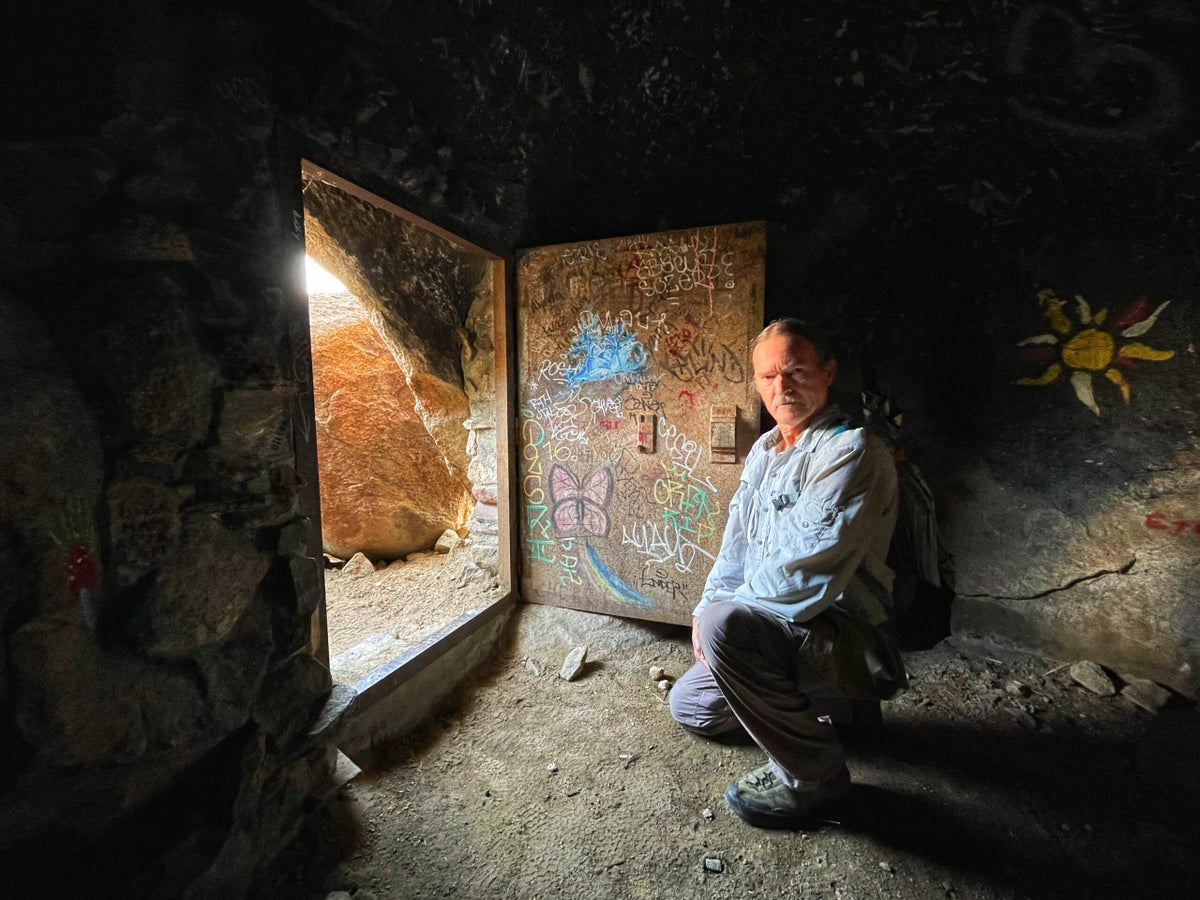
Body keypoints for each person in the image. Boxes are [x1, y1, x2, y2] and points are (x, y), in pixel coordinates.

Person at [669, 317, 902, 828]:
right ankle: (836, 714)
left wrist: (723, 624)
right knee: (690, 705)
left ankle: (816, 776)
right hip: (781, 625)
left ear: (827, 372)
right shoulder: (767, 449)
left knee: (725, 629)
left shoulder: (851, 450)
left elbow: (802, 576)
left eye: (795, 371)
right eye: (768, 377)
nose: (782, 388)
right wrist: (705, 608)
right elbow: (736, 545)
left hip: (836, 626)